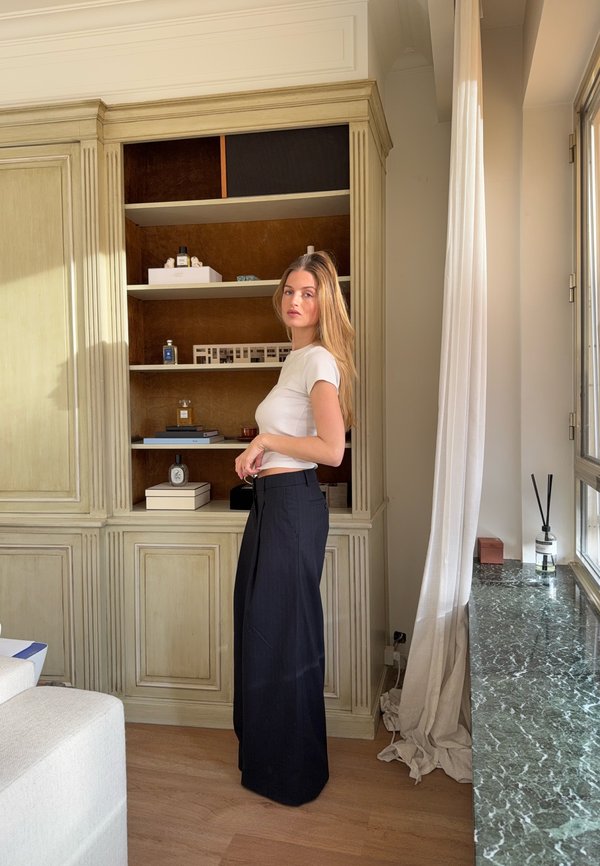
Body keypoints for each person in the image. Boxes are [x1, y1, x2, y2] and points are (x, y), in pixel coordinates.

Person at [233, 249, 356, 806]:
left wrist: (267, 441)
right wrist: (262, 452)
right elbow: (299, 441)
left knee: (287, 635)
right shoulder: (296, 359)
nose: (295, 301)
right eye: (289, 291)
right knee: (266, 630)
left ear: (324, 301)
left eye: (307, 293)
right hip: (273, 503)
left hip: (292, 509)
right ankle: (271, 762)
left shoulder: (317, 363)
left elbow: (331, 450)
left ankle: (295, 773)